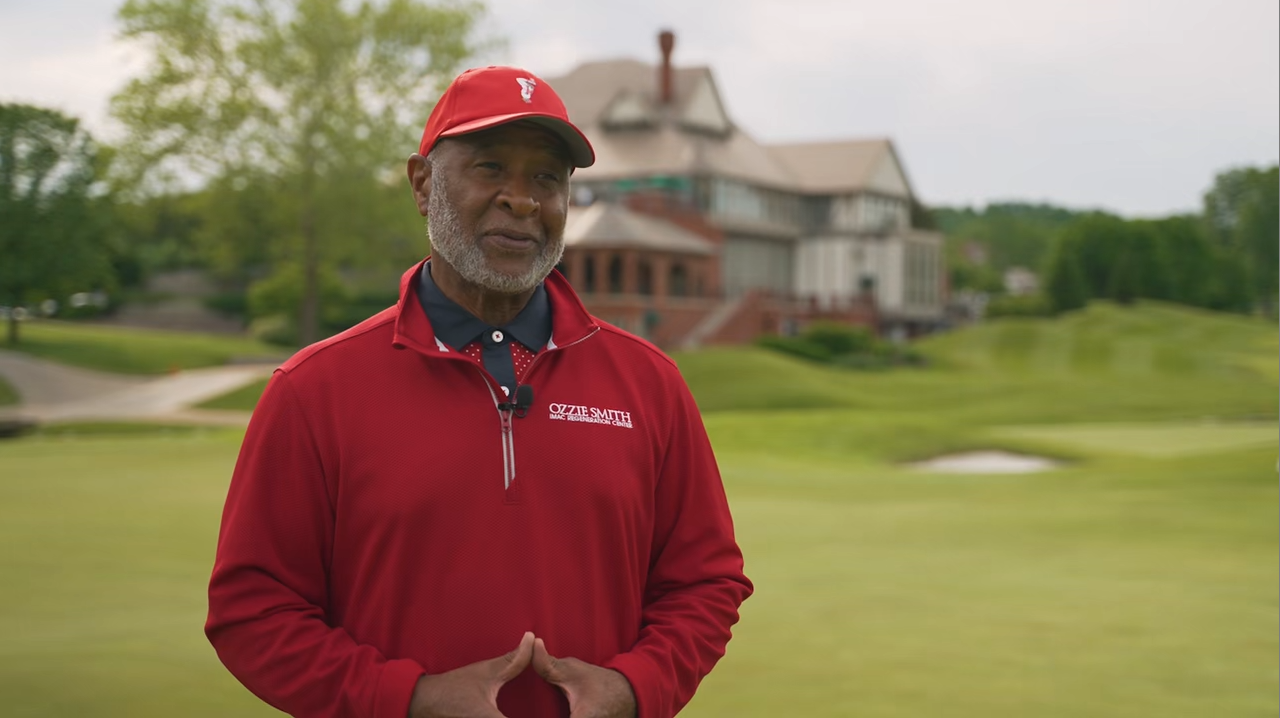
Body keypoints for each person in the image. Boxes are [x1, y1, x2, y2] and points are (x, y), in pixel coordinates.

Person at [205, 65, 752, 718]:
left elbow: (705, 582)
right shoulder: (312, 391)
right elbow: (252, 611)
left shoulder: (650, 384)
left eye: (546, 178)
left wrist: (634, 689)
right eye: (490, 168)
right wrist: (408, 700)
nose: (521, 199)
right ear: (422, 183)